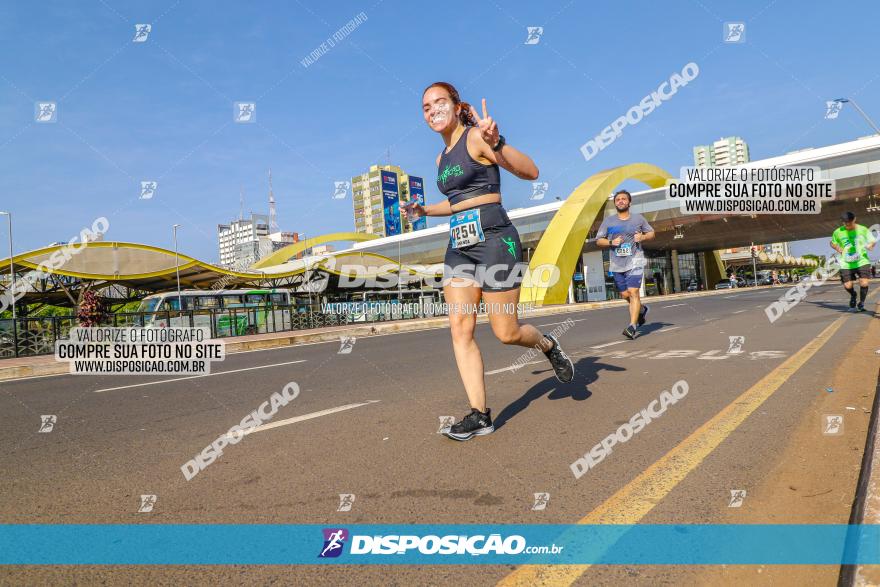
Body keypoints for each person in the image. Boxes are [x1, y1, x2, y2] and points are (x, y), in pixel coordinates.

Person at [406, 82, 574, 441]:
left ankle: (546, 344)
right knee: (460, 329)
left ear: (455, 105)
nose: (432, 110)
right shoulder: (441, 159)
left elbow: (531, 172)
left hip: (495, 238)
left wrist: (497, 142)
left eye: (439, 102)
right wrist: (424, 210)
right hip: (460, 245)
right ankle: (480, 415)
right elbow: (457, 203)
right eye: (425, 107)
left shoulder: (477, 137)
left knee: (506, 332)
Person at [595, 190, 655, 339]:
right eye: (618, 200)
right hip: (617, 264)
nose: (620, 201)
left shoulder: (638, 219)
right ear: (615, 203)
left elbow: (652, 233)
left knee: (634, 292)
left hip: (635, 260)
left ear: (629, 202)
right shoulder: (608, 221)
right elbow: (598, 240)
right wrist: (610, 242)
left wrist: (643, 236)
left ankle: (632, 326)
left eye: (623, 199)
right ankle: (641, 310)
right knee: (625, 294)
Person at [830, 211, 876, 312]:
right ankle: (853, 294)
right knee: (848, 285)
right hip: (846, 263)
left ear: (854, 219)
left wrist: (870, 245)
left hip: (862, 261)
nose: (848, 225)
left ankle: (861, 303)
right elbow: (832, 243)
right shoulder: (838, 232)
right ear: (842, 222)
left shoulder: (863, 229)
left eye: (849, 223)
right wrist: (837, 247)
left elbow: (872, 241)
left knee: (864, 283)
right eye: (845, 223)